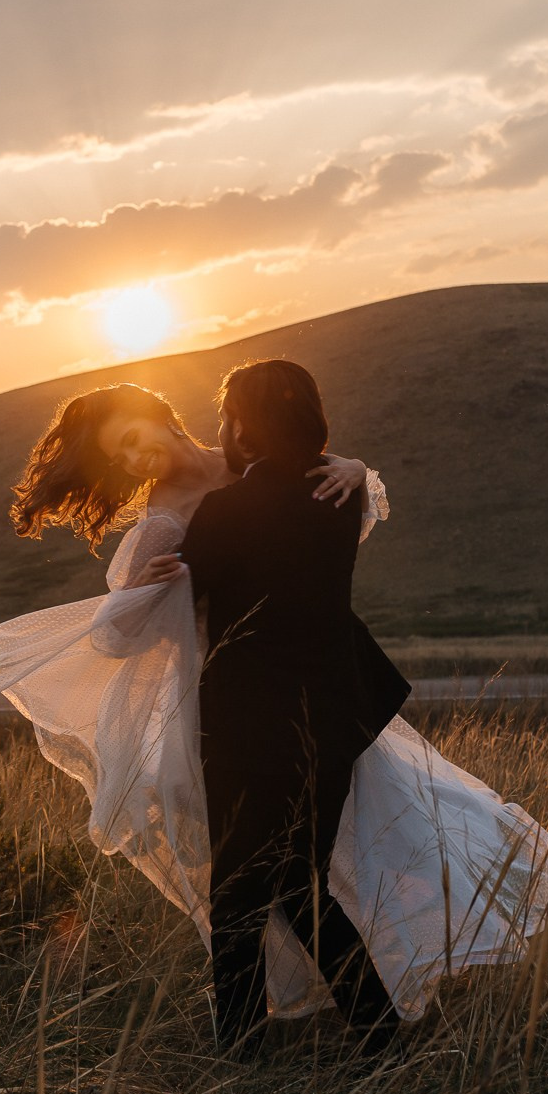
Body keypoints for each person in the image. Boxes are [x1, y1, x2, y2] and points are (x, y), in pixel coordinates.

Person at [0, 377, 548, 1040]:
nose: (133, 460)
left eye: (132, 439)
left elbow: (323, 512)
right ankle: (318, 1026)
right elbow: (117, 635)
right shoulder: (161, 521)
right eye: (118, 458)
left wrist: (354, 468)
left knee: (342, 855)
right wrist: (141, 595)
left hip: (323, 692)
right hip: (238, 709)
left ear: (162, 415)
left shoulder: (248, 461)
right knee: (269, 876)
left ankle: (338, 1018)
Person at [174, 360, 409, 1052]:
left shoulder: (227, 511)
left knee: (238, 891)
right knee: (299, 882)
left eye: (227, 417)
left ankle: (242, 1045)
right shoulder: (340, 497)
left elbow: (175, 605)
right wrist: (354, 466)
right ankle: (377, 1032)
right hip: (331, 718)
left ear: (242, 424)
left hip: (248, 725)